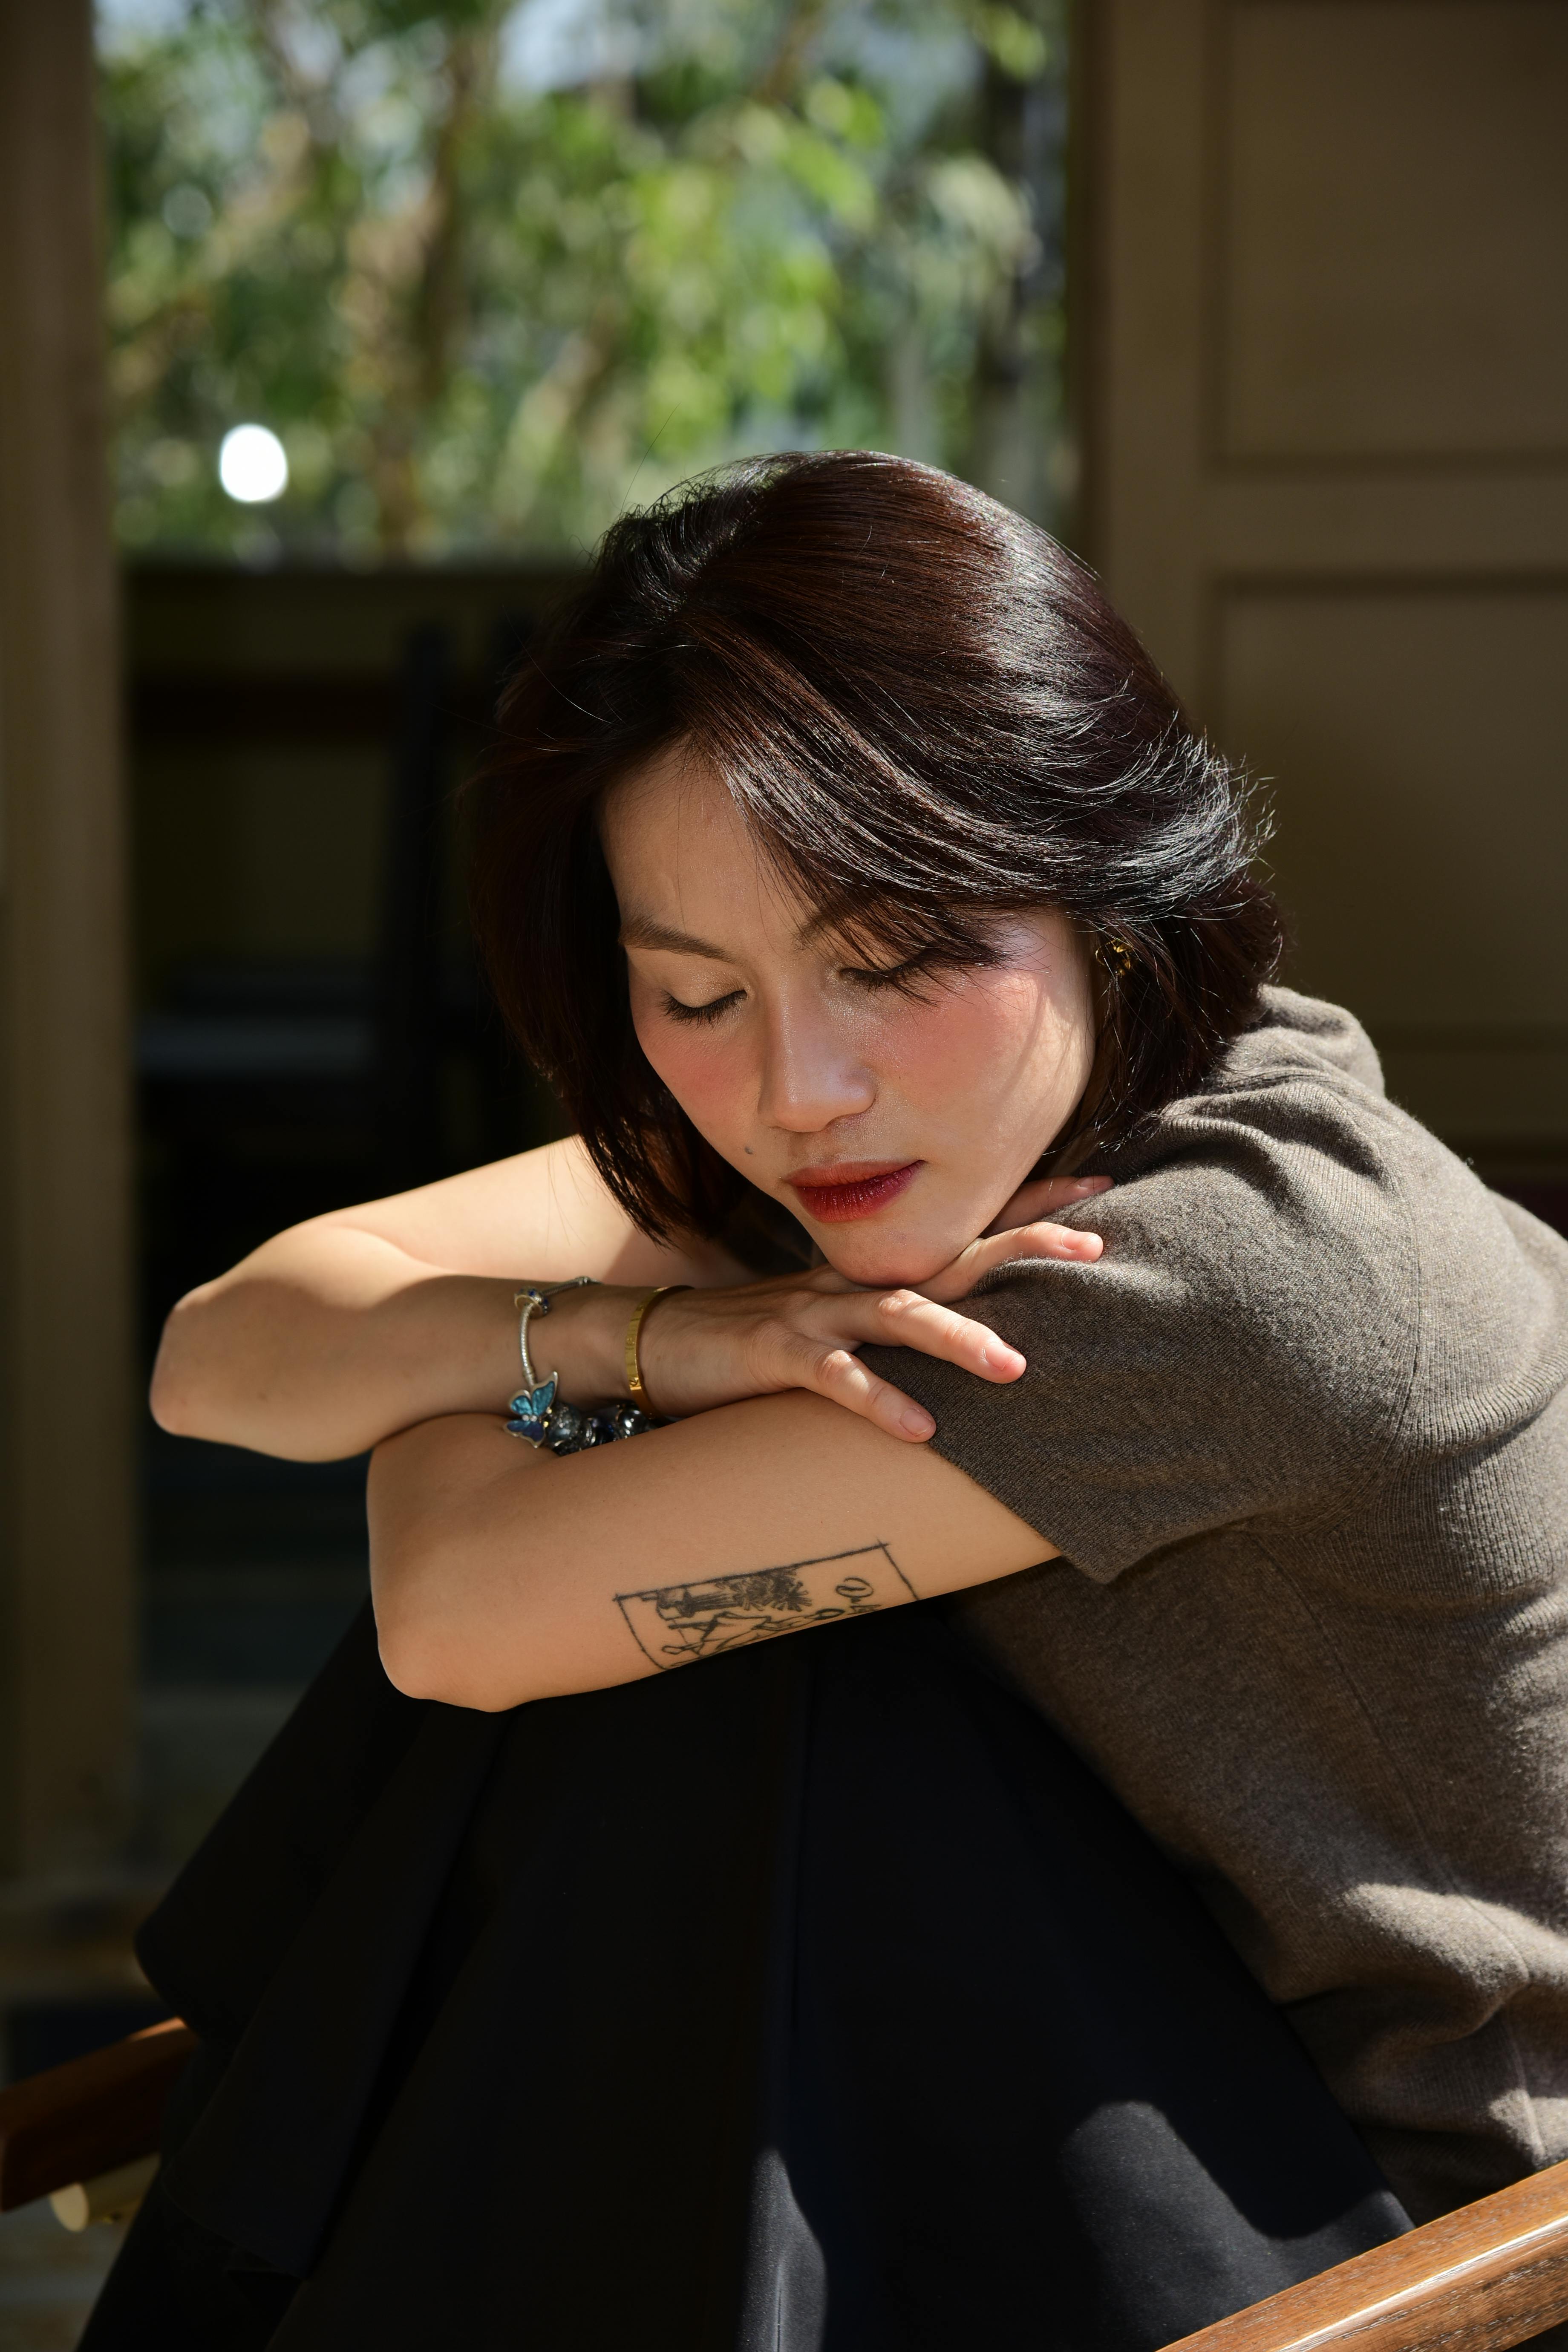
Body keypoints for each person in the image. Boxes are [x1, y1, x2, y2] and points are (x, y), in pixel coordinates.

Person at [86, 452, 1568, 2352]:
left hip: (1384, 2259)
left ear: (1100, 887)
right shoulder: (879, 1153)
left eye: (892, 958)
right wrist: (643, 1344)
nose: (799, 1089)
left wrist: (561, 1350)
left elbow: (456, 1614)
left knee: (711, 1707)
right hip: (1073, 2101)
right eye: (691, 996)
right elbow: (227, 1348)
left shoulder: (1238, 1262)